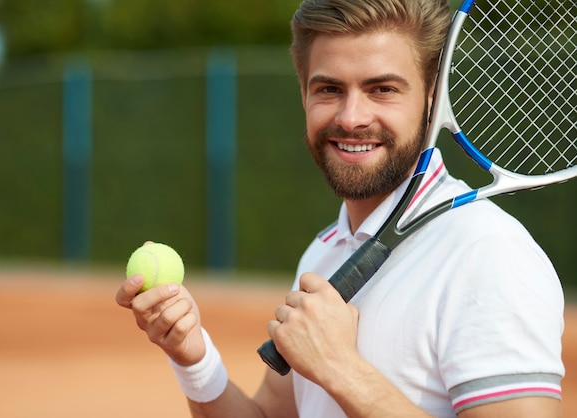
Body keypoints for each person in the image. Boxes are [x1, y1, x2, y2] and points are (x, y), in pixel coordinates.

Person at [115, 0, 565, 416]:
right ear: (304, 99)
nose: (351, 117)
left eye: (382, 89)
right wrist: (192, 356)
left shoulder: (488, 254)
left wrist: (341, 369)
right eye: (329, 89)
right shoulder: (327, 250)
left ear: (432, 101)